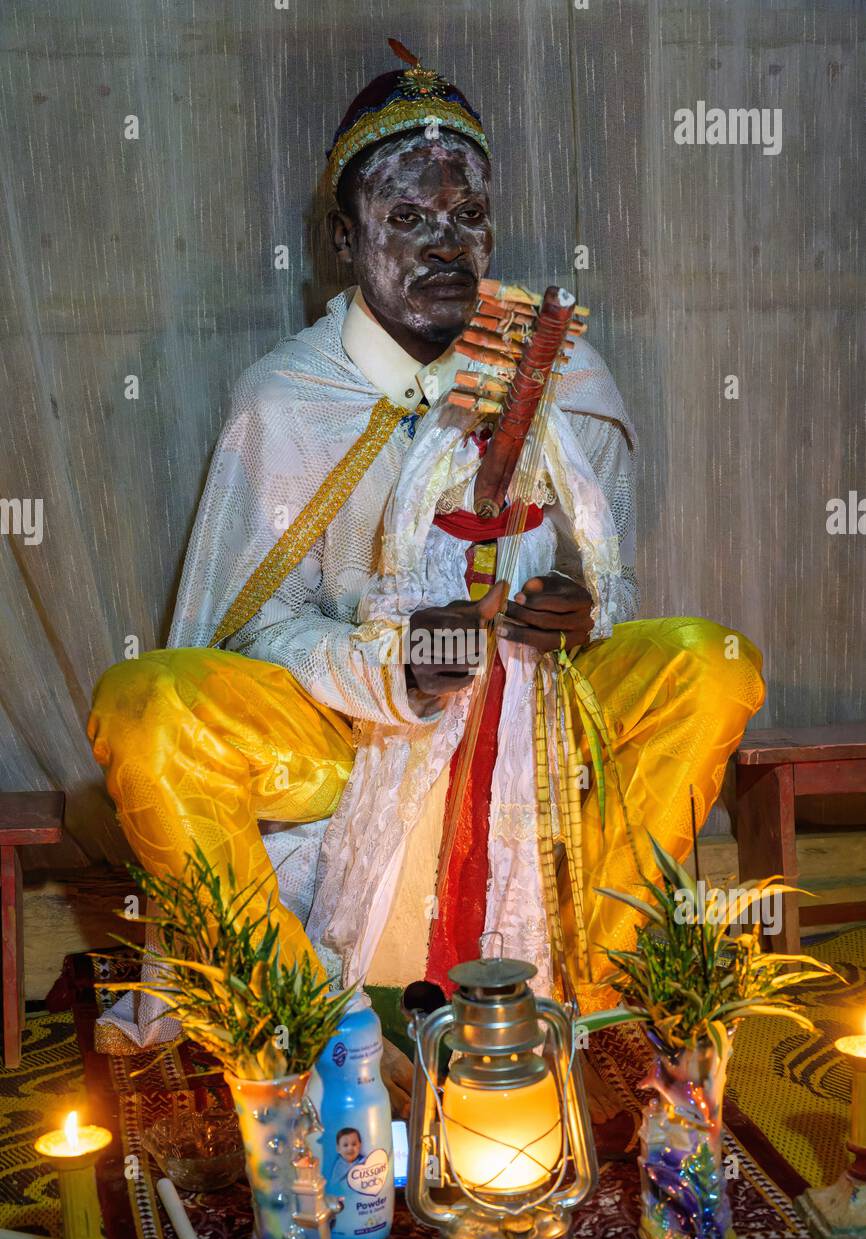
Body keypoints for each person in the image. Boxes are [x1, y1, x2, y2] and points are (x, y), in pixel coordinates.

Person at [88, 42, 764, 1114]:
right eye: (407, 220)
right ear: (345, 239)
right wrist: (389, 670)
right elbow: (254, 629)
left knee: (706, 667)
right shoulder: (285, 401)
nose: (446, 244)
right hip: (351, 740)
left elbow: (613, 580)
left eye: (467, 218)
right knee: (147, 704)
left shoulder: (564, 376)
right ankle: (288, 1024)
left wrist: (583, 615)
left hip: (538, 727)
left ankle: (584, 993)